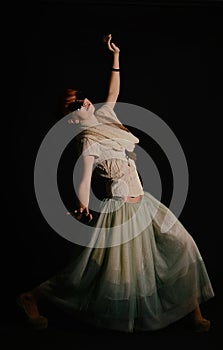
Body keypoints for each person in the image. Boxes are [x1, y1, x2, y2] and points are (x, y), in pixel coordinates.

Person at [16, 34, 214, 333]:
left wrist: (115, 57)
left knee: (182, 246)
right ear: (70, 119)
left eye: (82, 96)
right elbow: (83, 179)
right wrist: (82, 205)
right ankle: (31, 297)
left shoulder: (106, 115)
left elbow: (113, 90)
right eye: (76, 103)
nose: (85, 100)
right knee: (92, 274)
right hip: (120, 211)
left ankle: (194, 313)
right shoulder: (87, 142)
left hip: (144, 203)